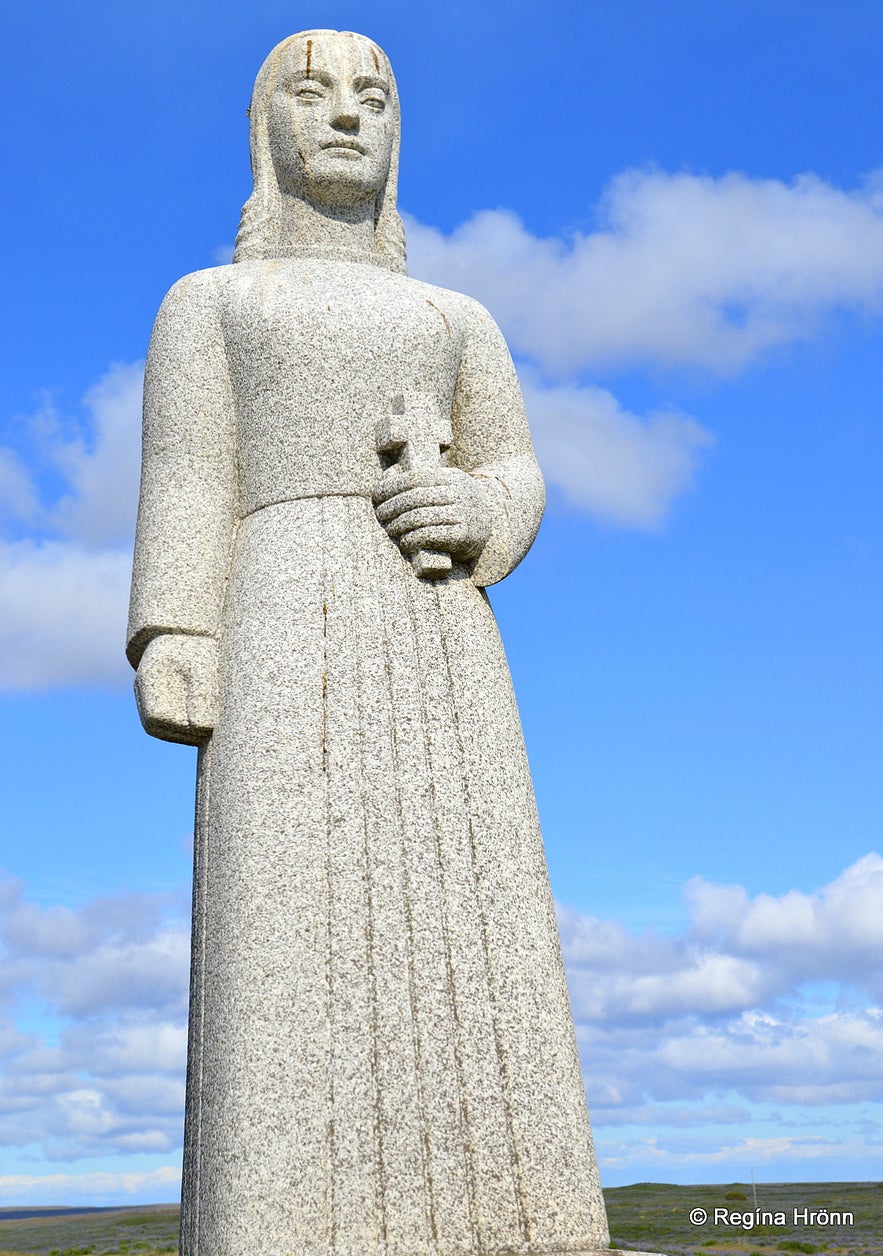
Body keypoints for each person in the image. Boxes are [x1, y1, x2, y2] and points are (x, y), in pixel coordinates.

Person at [128, 29, 610, 1256]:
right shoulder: (213, 302)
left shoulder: (455, 314)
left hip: (437, 620)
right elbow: (188, 476)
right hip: (280, 610)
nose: (345, 116)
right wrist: (174, 624)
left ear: (398, 134)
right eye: (313, 94)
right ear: (264, 130)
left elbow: (515, 462)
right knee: (278, 921)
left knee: (473, 927)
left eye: (373, 98)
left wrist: (485, 508)